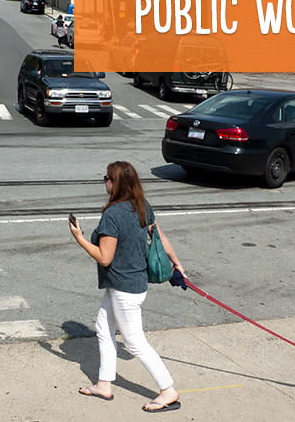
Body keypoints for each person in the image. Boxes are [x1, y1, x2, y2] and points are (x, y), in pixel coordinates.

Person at [69, 161, 184, 413]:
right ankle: (104, 384)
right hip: (128, 283)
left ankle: (168, 390)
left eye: (107, 178)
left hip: (125, 288)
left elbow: (104, 257)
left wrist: (78, 238)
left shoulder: (113, 214)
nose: (105, 182)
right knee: (103, 327)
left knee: (135, 342)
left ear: (115, 183)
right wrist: (178, 264)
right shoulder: (141, 205)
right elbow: (160, 238)